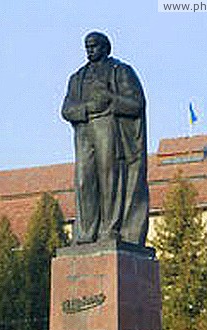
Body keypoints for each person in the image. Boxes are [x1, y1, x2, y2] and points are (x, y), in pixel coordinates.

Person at [62, 31, 149, 246]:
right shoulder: (77, 78)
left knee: (108, 178)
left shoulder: (121, 71)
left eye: (95, 46)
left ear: (105, 48)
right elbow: (66, 110)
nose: (90, 50)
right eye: (87, 47)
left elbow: (136, 104)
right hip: (84, 129)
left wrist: (110, 100)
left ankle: (109, 230)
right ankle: (86, 233)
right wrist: (87, 108)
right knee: (84, 180)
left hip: (108, 127)